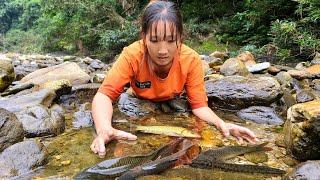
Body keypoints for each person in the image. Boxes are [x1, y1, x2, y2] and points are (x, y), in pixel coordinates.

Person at [90, 0, 259, 157]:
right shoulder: (132, 55)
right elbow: (104, 95)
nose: (163, 50)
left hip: (173, 99)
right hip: (138, 97)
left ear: (180, 37)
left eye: (171, 40)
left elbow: (199, 106)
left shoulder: (190, 59)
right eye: (155, 40)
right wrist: (104, 129)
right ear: (144, 37)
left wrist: (222, 123)